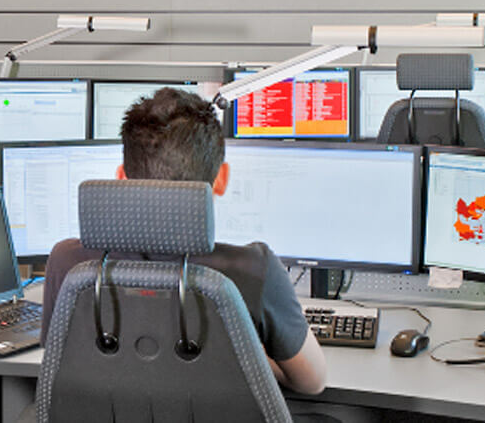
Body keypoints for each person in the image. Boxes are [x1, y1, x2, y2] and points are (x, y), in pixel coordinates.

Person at [41, 87, 327, 396]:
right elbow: (311, 382)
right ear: (221, 178)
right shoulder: (254, 270)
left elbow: (61, 358)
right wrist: (246, 349)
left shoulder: (67, 261)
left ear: (121, 177)